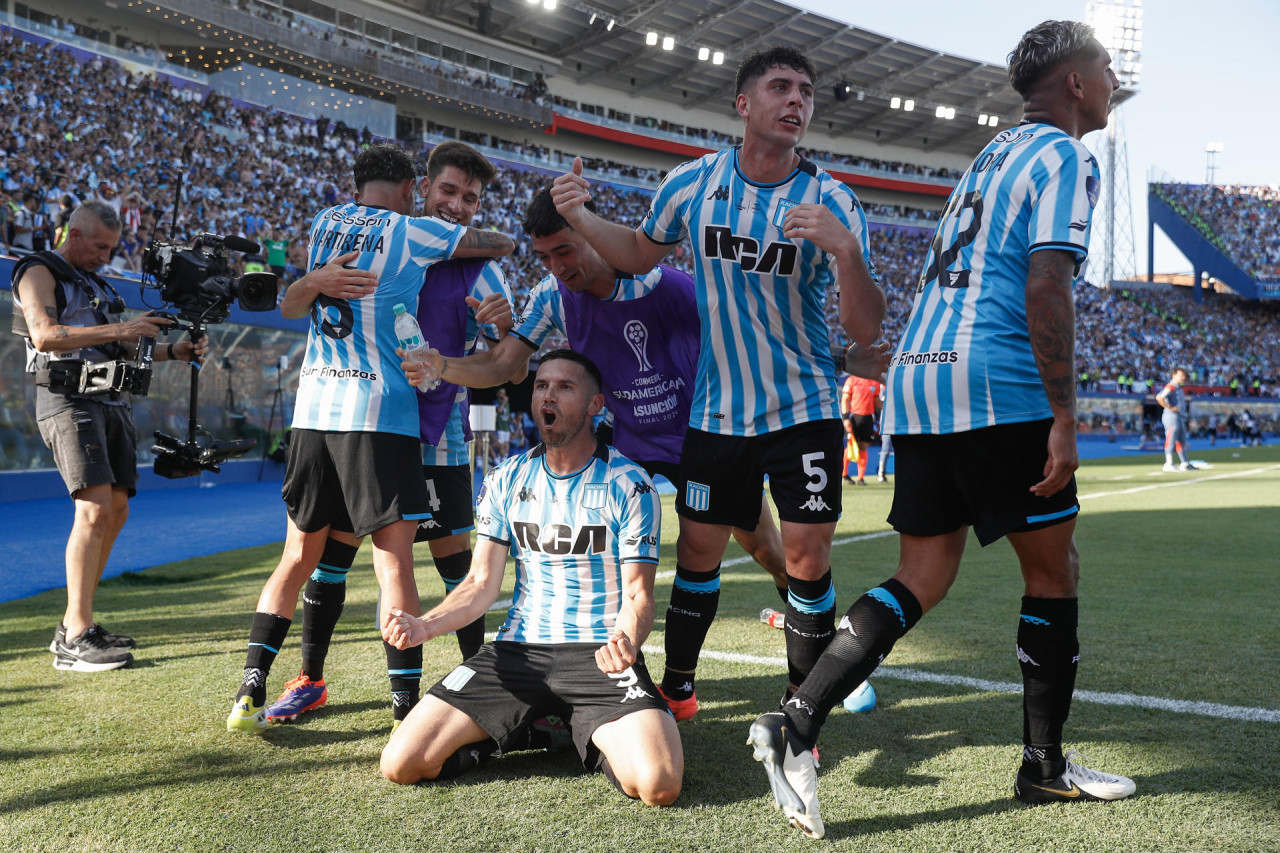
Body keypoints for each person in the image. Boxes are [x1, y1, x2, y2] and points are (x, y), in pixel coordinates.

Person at [745, 21, 1134, 839]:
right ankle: (1044, 766)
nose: (1110, 79)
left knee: (921, 573)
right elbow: (1046, 280)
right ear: (1072, 82)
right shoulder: (1065, 156)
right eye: (1103, 67)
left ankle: (796, 721)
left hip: (918, 378)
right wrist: (1064, 413)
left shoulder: (989, 158)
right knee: (1053, 568)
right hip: (997, 381)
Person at [413, 187, 855, 718]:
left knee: (768, 550)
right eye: (545, 257)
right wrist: (441, 365)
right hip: (630, 447)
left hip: (702, 436)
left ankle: (825, 664)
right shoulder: (552, 297)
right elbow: (505, 364)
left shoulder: (670, 285)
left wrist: (843, 356)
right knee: (595, 541)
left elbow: (758, 335)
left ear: (592, 231)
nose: (556, 267)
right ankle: (606, 665)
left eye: (565, 250)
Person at [551, 46, 885, 718]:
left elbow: (866, 325)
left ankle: (801, 705)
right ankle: (678, 686)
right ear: (743, 104)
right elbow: (638, 254)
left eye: (807, 92)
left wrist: (846, 251)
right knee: (698, 551)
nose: (797, 101)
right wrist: (581, 216)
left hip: (803, 409)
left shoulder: (834, 201)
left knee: (807, 557)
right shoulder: (691, 185)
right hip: (717, 414)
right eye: (781, 87)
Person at [225, 143, 514, 732]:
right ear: (421, 188)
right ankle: (309, 677)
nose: (457, 205)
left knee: (453, 561)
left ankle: (483, 683)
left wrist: (500, 325)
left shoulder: (482, 271)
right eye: (449, 192)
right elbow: (296, 300)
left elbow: (506, 365)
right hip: (380, 420)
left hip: (434, 433)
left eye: (471, 199)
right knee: (335, 558)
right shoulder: (414, 234)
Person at [380, 350, 682, 806]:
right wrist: (427, 625)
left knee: (658, 784)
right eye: (542, 385)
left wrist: (627, 639)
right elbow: (481, 582)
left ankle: (587, 732)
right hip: (517, 652)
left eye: (564, 387)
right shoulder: (506, 478)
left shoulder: (630, 484)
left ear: (595, 405)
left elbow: (639, 593)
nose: (548, 395)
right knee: (401, 764)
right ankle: (525, 726)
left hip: (600, 653)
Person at [10, 201, 207, 671]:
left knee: (115, 509)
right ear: (74, 234)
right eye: (99, 246)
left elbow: (121, 343)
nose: (106, 255)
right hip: (68, 399)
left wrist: (174, 351)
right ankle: (75, 637)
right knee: (94, 508)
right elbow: (45, 335)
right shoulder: (37, 269)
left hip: (112, 401)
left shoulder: (96, 282)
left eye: (111, 248)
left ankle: (76, 622)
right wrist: (126, 326)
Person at [839, 372, 882, 485]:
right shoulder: (851, 380)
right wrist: (845, 418)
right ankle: (844, 474)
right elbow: (845, 400)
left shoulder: (874, 382)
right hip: (854, 417)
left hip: (868, 418)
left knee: (863, 446)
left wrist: (889, 404)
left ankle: (860, 478)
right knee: (851, 446)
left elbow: (877, 402)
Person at [1156, 367, 1196, 471]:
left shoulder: (1178, 387)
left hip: (1179, 417)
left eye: (1184, 375)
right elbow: (1159, 397)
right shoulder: (1171, 386)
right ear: (1174, 375)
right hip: (1172, 417)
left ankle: (1185, 463)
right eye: (1181, 375)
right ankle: (1168, 463)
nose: (1183, 377)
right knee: (1171, 440)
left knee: (1181, 441)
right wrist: (1169, 407)